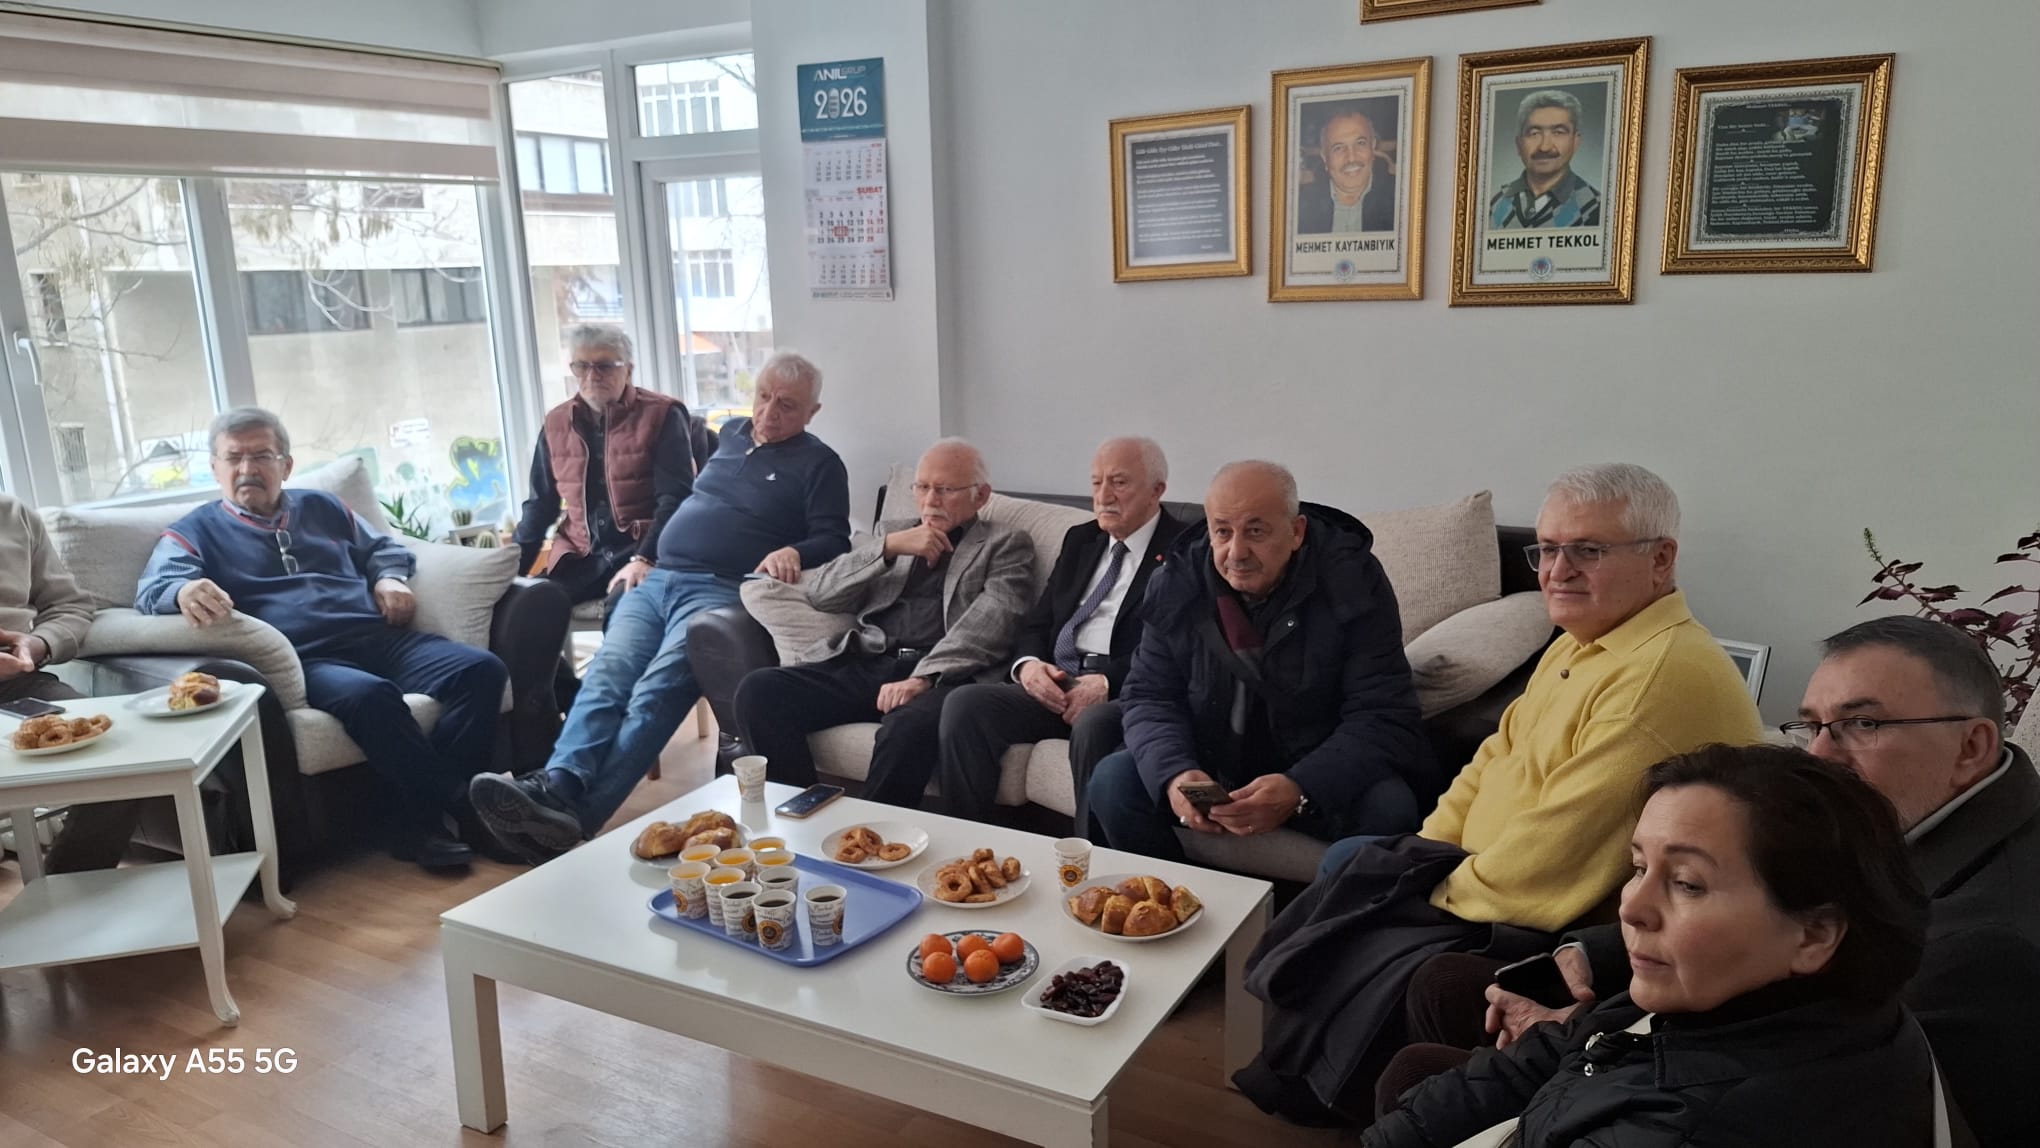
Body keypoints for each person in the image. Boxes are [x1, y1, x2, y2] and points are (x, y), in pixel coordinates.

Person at [1236, 463, 1761, 1126]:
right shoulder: (1586, 640)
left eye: (1587, 550)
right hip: (1483, 874)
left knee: (1358, 891)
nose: (1557, 571)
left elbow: (1556, 855)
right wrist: (1424, 851)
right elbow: (1491, 758)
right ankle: (1311, 1079)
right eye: (1548, 549)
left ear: (1661, 559)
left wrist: (1425, 888)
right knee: (1357, 867)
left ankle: (1324, 1092)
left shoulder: (1656, 679)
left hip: (1561, 921)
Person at [1405, 616, 2038, 1145]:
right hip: (1674, 1041)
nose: (1821, 754)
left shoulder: (1987, 941)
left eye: (1863, 724)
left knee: (1431, 1042)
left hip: (1706, 1075)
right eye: (1811, 725)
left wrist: (1600, 1040)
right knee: (1441, 1003)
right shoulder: (1907, 823)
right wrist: (1590, 959)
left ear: (1972, 746)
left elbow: (1828, 1071)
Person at [1366, 743, 1935, 1148]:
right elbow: (1570, 1046)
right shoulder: (1729, 995)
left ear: (1813, 934)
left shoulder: (1695, 1124)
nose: (1631, 907)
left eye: (1687, 883)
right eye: (1639, 867)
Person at [470, 352, 850, 862]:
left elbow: (836, 539)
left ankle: (571, 819)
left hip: (720, 590)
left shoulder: (820, 464)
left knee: (655, 693)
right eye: (763, 396)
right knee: (607, 674)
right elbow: (685, 499)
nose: (768, 412)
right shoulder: (731, 433)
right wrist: (643, 556)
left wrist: (795, 551)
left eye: (787, 405)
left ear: (813, 412)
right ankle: (560, 783)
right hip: (658, 578)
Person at [135, 408, 509, 871]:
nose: (247, 468)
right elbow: (153, 589)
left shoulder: (323, 507)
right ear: (215, 468)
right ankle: (460, 811)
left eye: (261, 456)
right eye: (233, 458)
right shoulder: (194, 530)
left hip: (377, 635)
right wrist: (182, 591)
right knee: (372, 696)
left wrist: (388, 577)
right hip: (307, 658)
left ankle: (422, 819)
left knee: (481, 670)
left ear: (286, 465)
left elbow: (384, 547)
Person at [1087, 460, 1436, 864]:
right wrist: (1176, 773)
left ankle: (1326, 908)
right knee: (1112, 783)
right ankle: (1175, 896)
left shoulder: (1353, 579)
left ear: (1296, 532)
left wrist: (1299, 786)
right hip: (1213, 757)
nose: (1236, 553)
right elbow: (1150, 695)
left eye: (1255, 531)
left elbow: (1382, 712)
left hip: (1317, 760)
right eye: (1222, 532)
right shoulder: (1177, 580)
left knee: (1390, 807)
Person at [733, 439, 1035, 803]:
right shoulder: (894, 534)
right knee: (759, 691)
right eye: (922, 487)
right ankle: (804, 812)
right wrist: (888, 548)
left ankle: (873, 832)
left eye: (945, 490)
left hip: (945, 678)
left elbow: (991, 626)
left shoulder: (1006, 544)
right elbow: (823, 594)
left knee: (907, 727)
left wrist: (922, 677)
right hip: (873, 662)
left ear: (981, 496)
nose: (930, 500)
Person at [936, 437, 1187, 829]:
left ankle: (1089, 858)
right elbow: (1038, 623)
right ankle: (972, 846)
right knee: (965, 704)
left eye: (1119, 482)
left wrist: (1106, 681)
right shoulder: (1081, 539)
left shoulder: (1186, 550)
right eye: (1096, 482)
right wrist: (1028, 667)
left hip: (1122, 689)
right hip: (1058, 681)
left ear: (1157, 490)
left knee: (1093, 724)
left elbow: (1178, 646)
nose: (1103, 496)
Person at [511, 324, 694, 608]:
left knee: (624, 605)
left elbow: (675, 499)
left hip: (642, 551)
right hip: (580, 558)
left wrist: (645, 558)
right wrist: (508, 571)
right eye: (582, 366)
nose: (592, 375)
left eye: (605, 366)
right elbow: (540, 506)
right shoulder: (556, 423)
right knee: (525, 606)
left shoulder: (663, 414)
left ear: (628, 370)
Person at [0, 492, 122, 872]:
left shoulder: (13, 514)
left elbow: (69, 605)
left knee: (115, 751)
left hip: (16, 685)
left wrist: (35, 645)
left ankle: (73, 890)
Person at [1487, 89, 1601, 230]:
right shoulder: (1492, 204)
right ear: (1519, 144)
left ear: (1575, 142)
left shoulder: (1597, 209)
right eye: (1534, 133)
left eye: (1558, 132)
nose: (1544, 147)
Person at [1296, 105, 1396, 234]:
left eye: (1360, 143)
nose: (1351, 158)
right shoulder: (1300, 205)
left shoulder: (1400, 197)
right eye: (1338, 148)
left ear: (1372, 147)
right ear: (1325, 157)